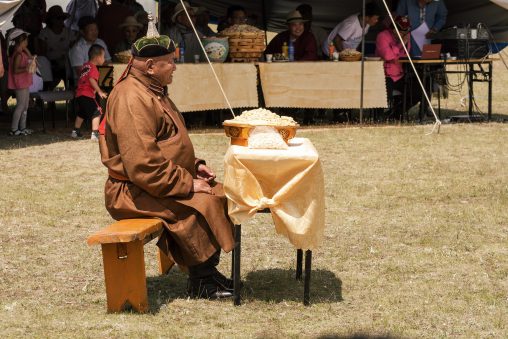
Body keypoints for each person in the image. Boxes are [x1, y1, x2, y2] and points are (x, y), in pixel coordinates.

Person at [98, 25, 235, 299]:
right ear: (150, 65)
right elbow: (143, 164)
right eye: (170, 61)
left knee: (219, 192)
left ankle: (206, 273)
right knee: (202, 202)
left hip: (152, 184)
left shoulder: (152, 89)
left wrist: (194, 166)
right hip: (132, 191)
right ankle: (202, 282)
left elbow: (167, 142)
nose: (175, 67)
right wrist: (188, 184)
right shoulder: (130, 98)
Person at [376, 15, 413, 120]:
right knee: (385, 91)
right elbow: (387, 56)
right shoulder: (382, 36)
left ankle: (397, 113)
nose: (404, 34)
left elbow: (405, 54)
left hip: (400, 74)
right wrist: (400, 44)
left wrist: (399, 48)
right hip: (385, 74)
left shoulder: (406, 36)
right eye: (401, 31)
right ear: (393, 29)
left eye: (406, 31)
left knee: (417, 91)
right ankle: (379, 116)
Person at [71, 44, 107, 140]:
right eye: (103, 56)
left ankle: (75, 131)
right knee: (97, 111)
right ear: (97, 57)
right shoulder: (94, 68)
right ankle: (95, 134)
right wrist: (99, 91)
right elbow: (91, 79)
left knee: (82, 112)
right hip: (87, 95)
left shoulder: (85, 66)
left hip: (79, 94)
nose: (104, 59)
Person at [38, 5, 79, 89]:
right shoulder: (44, 33)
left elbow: (73, 48)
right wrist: (54, 62)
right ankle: (48, 92)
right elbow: (42, 53)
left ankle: (72, 93)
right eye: (58, 18)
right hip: (50, 63)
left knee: (71, 67)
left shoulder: (68, 32)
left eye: (62, 18)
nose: (61, 20)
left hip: (67, 63)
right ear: (51, 20)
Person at [7, 29, 33, 136]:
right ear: (20, 42)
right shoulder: (18, 55)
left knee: (25, 106)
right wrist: (26, 69)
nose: (27, 42)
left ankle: (22, 127)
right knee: (21, 105)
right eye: (25, 41)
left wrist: (25, 49)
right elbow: (15, 70)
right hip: (20, 83)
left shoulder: (22, 53)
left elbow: (31, 58)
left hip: (25, 82)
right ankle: (14, 128)